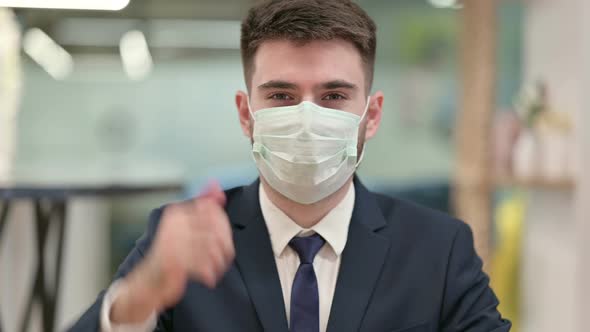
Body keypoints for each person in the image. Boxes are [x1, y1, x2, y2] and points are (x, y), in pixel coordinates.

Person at [70, 0, 511, 331]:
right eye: (281, 96)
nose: (306, 119)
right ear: (246, 114)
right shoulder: (181, 239)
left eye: (333, 96)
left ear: (371, 115)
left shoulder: (438, 249)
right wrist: (142, 293)